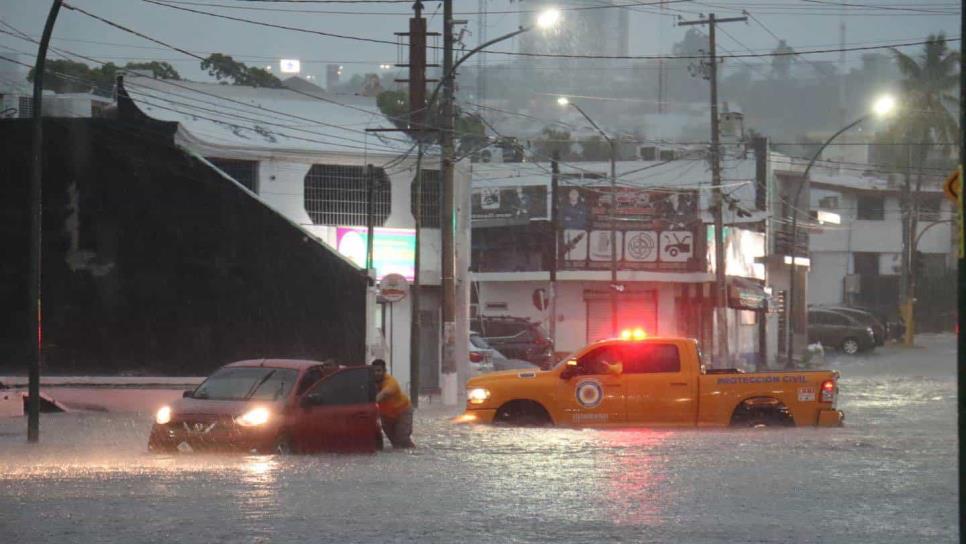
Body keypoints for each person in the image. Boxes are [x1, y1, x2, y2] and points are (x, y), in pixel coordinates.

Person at [370, 359, 415, 448]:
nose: (376, 373)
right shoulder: (370, 381)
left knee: (402, 439)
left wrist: (369, 405)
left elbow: (383, 394)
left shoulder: (391, 382)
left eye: (379, 371)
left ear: (384, 371)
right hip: (386, 416)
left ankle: (414, 455)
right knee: (395, 443)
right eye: (374, 371)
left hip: (403, 412)